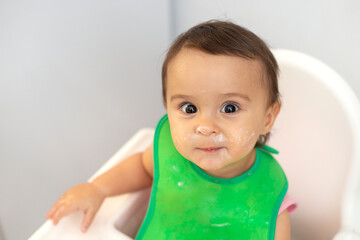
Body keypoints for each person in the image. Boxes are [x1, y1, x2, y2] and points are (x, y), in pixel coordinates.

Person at [46, 20, 296, 239]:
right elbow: (142, 168)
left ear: (267, 117)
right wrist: (98, 188)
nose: (205, 128)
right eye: (189, 108)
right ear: (167, 106)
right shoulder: (169, 155)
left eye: (229, 108)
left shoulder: (269, 196)